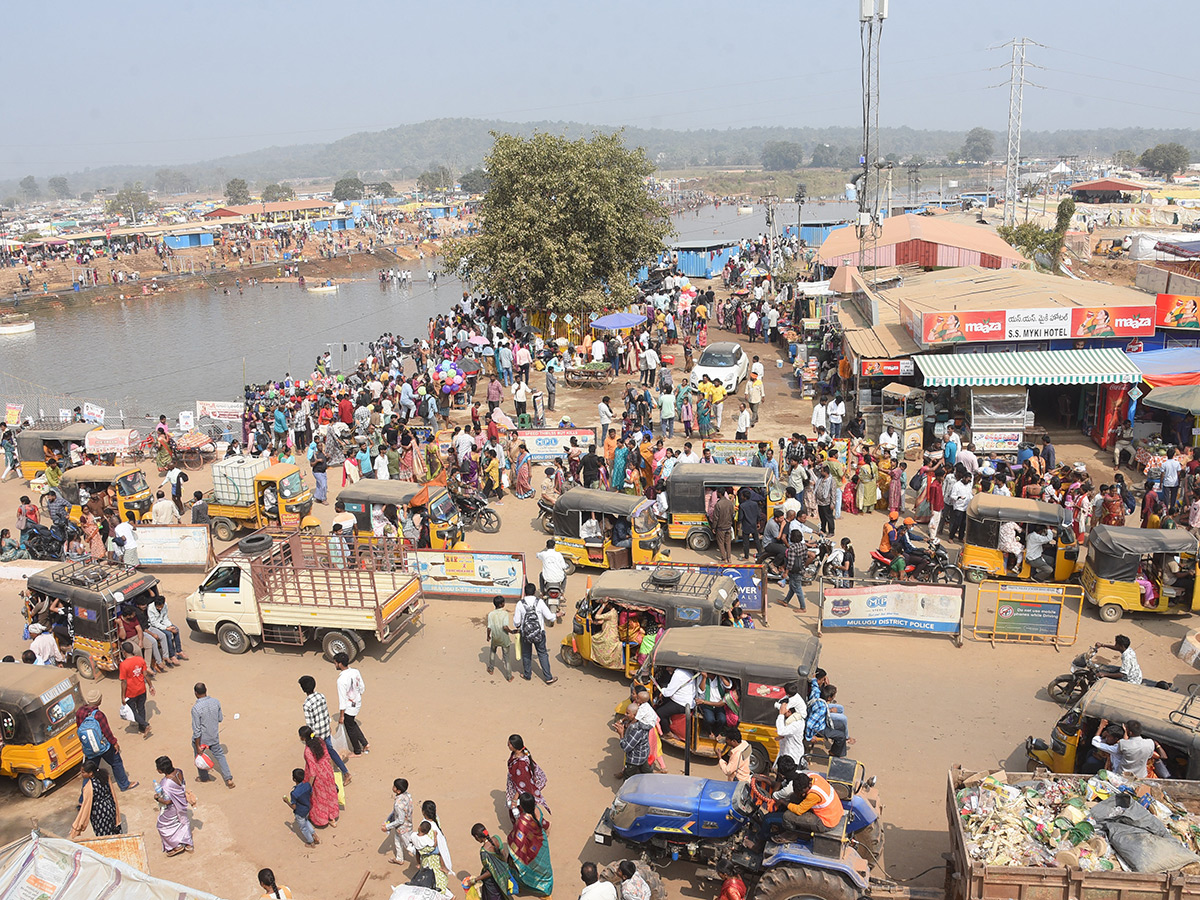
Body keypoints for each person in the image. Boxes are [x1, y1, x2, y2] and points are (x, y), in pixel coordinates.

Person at [77, 688, 136, 791]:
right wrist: (114, 743)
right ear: (99, 701)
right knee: (116, 762)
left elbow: (79, 728)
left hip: (89, 748)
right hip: (103, 747)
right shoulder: (99, 715)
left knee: (89, 770)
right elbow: (106, 732)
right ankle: (124, 784)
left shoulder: (80, 711)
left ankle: (83, 799)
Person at [300, 674, 349, 780]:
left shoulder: (307, 704)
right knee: (330, 751)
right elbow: (326, 712)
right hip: (325, 730)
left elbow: (310, 724)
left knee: (318, 757)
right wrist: (328, 725)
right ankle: (345, 772)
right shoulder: (321, 696)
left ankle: (323, 778)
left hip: (317, 735)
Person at [509, 792, 554, 897]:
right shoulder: (538, 810)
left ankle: (530, 887)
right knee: (544, 867)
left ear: (522, 806)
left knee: (528, 867)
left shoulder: (522, 821)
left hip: (530, 849)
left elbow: (515, 839)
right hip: (541, 845)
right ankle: (546, 889)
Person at [192, 683, 234, 788]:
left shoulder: (196, 708)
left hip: (202, 739)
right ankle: (228, 778)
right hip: (214, 736)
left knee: (199, 755)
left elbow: (197, 730)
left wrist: (197, 746)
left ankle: (204, 777)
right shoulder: (216, 702)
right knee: (220, 755)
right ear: (206, 690)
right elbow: (220, 718)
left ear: (196, 693)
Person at [514, 583, 558, 684]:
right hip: (539, 633)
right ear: (534, 592)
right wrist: (557, 614)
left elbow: (516, 622)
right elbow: (550, 617)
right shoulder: (540, 602)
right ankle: (548, 677)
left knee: (526, 654)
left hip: (525, 634)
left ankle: (527, 675)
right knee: (542, 654)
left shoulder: (520, 604)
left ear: (525, 592)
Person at [299, 725, 340, 828]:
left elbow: (312, 770)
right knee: (330, 793)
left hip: (319, 777)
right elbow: (327, 756)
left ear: (303, 738)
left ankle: (322, 818)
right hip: (327, 771)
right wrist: (330, 771)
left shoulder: (308, 751)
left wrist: (309, 785)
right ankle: (332, 817)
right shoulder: (320, 741)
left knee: (320, 798)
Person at [153, 756, 194, 856]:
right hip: (182, 802)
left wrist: (157, 798)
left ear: (160, 770)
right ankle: (188, 844)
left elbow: (167, 801)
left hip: (173, 807)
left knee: (162, 825)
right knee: (183, 820)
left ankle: (175, 846)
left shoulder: (165, 783)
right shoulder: (179, 772)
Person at [70, 760, 122, 838]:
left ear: (90, 773)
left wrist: (77, 827)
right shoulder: (105, 776)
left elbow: (85, 807)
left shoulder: (89, 787)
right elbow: (112, 793)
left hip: (99, 813)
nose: (81, 774)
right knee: (113, 830)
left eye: (83, 772)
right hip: (110, 808)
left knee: (103, 835)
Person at [466, 824, 516, 900]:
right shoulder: (497, 838)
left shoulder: (484, 852)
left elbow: (490, 872)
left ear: (476, 837)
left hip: (492, 881)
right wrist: (502, 869)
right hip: (503, 875)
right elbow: (504, 855)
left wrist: (475, 880)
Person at [119, 640, 153, 736]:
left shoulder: (123, 665)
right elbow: (145, 675)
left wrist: (122, 696)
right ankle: (142, 728)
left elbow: (124, 682)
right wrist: (151, 686)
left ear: (124, 652)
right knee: (141, 707)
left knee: (132, 710)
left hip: (131, 692)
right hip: (142, 688)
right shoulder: (140, 660)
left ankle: (145, 725)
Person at [285, 766, 319, 847]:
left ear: (294, 779)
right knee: (306, 822)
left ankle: (311, 841)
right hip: (307, 808)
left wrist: (287, 802)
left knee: (303, 827)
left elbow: (294, 807)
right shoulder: (307, 785)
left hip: (300, 812)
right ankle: (314, 835)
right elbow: (310, 793)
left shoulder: (294, 793)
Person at [487, 596, 516, 680]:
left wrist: (488, 636)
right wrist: (511, 631)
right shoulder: (505, 614)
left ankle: (491, 669)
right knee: (506, 657)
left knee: (492, 652)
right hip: (504, 638)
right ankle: (509, 676)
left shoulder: (491, 614)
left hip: (495, 637)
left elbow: (489, 628)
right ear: (501, 604)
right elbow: (505, 627)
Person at [712, 488, 736, 565]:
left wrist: (714, 527)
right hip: (728, 526)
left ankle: (724, 558)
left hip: (721, 527)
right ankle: (729, 558)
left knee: (721, 543)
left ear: (719, 493)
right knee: (728, 543)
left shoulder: (718, 504)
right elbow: (733, 513)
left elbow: (715, 518)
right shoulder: (730, 503)